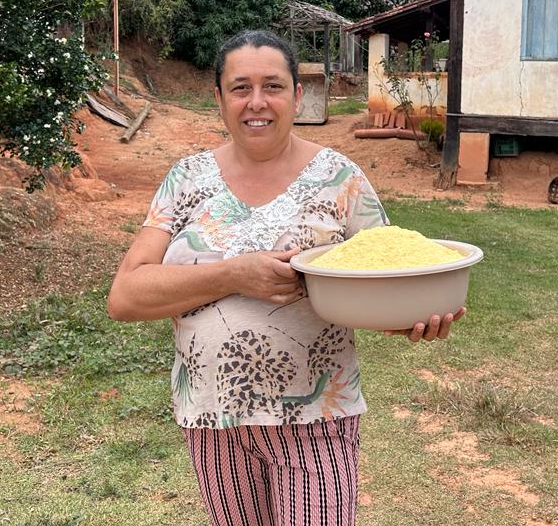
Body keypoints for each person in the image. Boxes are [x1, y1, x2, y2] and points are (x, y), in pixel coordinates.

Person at [107, 29, 464, 526]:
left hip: (315, 420)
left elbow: (386, 278)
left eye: (273, 86)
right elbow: (125, 295)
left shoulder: (341, 179)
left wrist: (411, 318)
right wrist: (234, 274)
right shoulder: (185, 179)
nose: (257, 102)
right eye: (240, 87)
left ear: (297, 95)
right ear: (219, 99)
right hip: (213, 418)